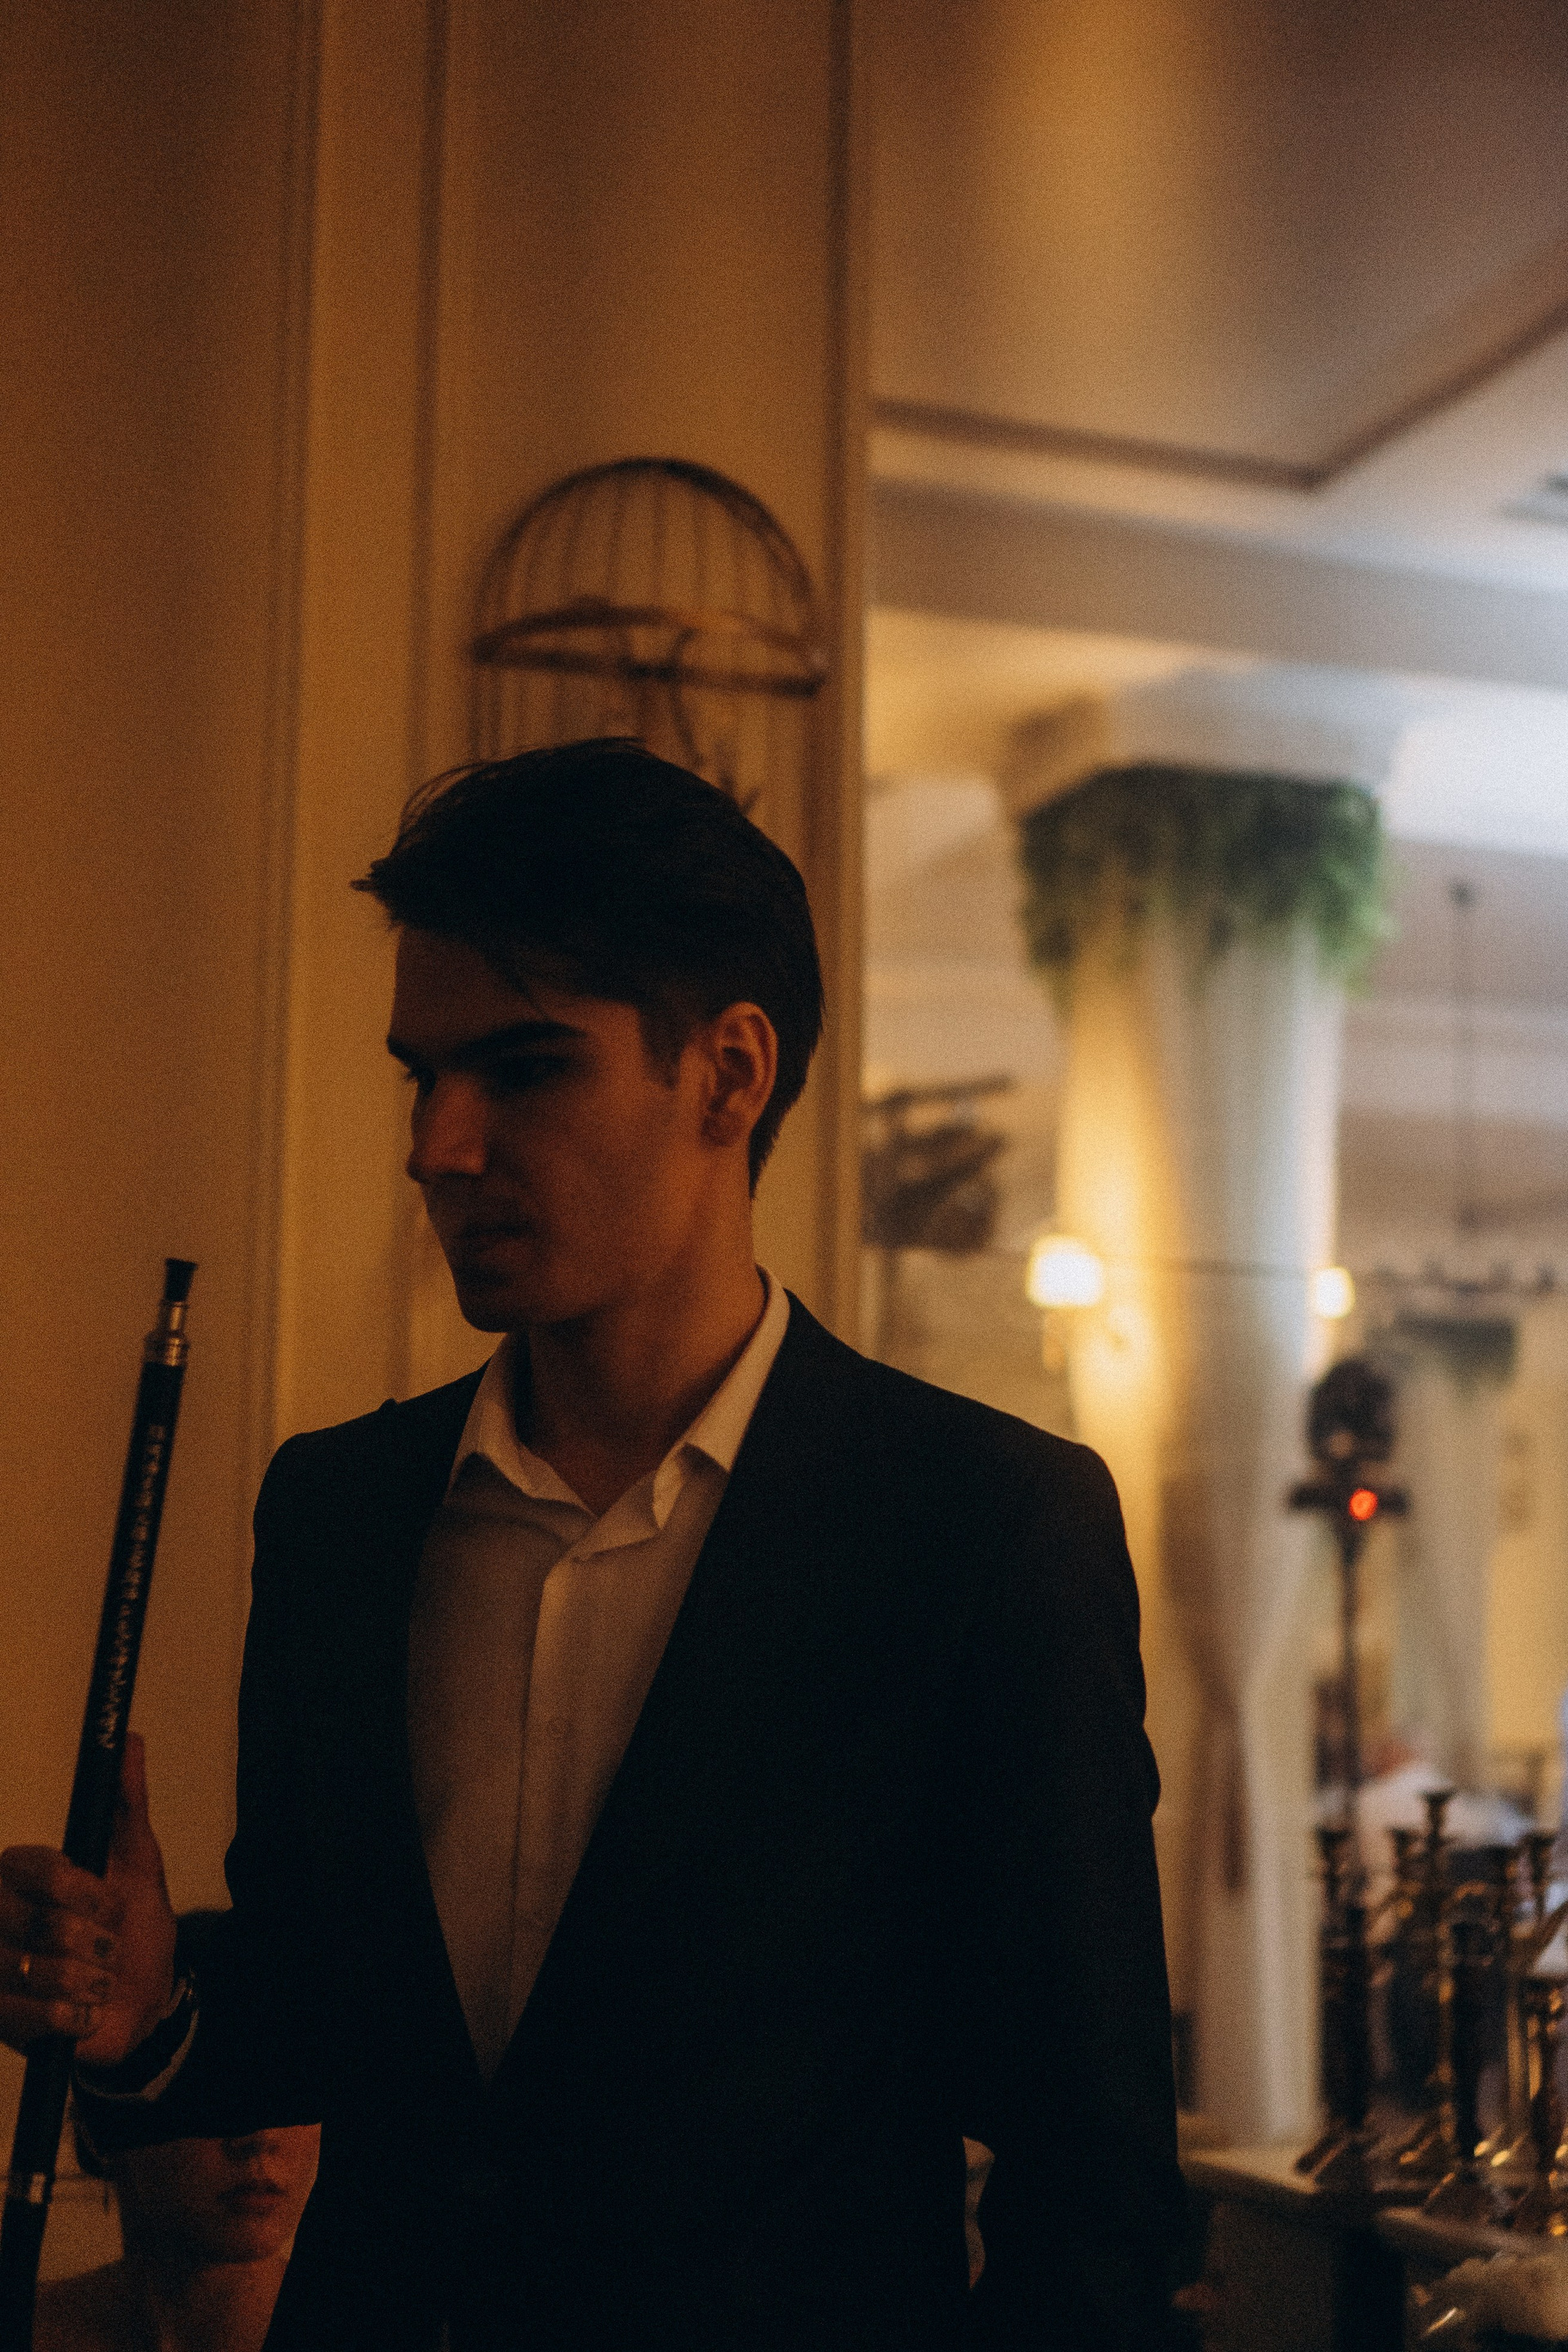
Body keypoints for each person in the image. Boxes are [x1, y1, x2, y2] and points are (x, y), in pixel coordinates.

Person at [0, 739, 1185, 2349]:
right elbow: (342, 2026)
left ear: (730, 1075)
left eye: (524, 1068)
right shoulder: (340, 1509)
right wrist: (148, 2020)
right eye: (423, 1075)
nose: (439, 1144)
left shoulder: (978, 1527)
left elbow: (1089, 2175)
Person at [34, 2113, 319, 2352]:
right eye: (204, 2093)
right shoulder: (23, 2329)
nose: (261, 2138)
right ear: (99, 2126)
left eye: (294, 2092)